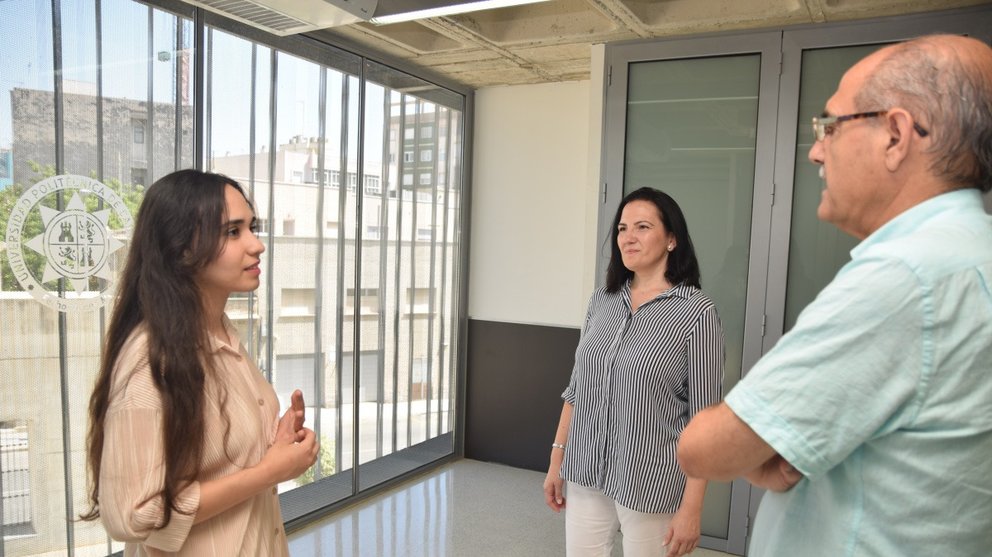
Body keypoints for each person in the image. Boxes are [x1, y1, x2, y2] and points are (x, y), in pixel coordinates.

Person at [677, 34, 992, 556]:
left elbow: (704, 449)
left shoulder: (904, 277)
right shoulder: (971, 254)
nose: (816, 151)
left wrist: (752, 444)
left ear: (896, 135)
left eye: (830, 126)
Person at [82, 169, 319, 555]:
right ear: (182, 249)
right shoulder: (148, 360)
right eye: (233, 232)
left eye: (252, 228)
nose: (257, 245)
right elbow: (133, 515)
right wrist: (269, 471)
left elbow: (218, 461)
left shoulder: (222, 334)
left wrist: (275, 444)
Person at [543, 187, 725, 557]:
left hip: (651, 482)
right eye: (623, 228)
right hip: (586, 470)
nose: (628, 237)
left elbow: (705, 422)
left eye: (643, 227)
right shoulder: (601, 301)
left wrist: (692, 507)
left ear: (672, 239)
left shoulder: (696, 313)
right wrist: (556, 460)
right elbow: (576, 390)